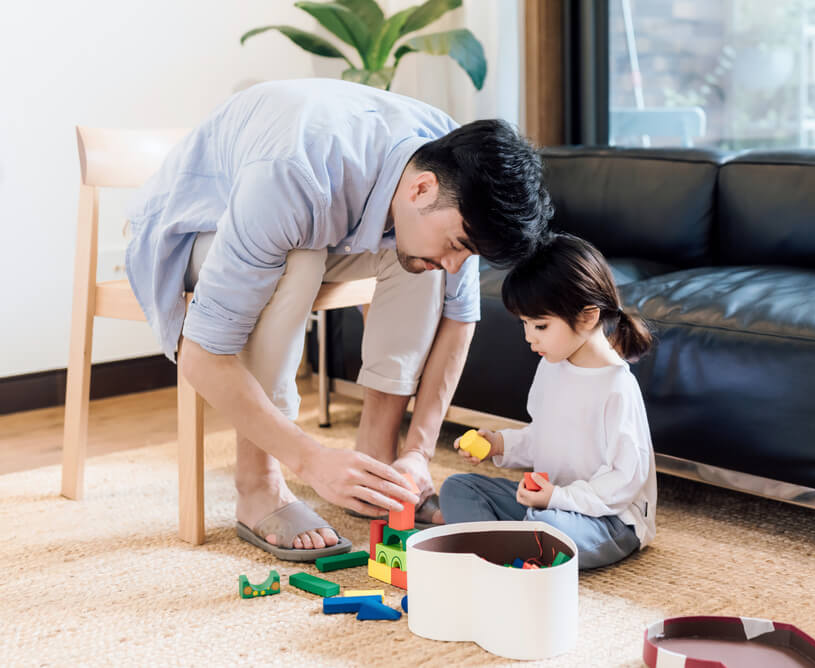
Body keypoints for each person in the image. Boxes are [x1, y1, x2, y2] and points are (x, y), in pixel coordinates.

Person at [125, 78, 551, 560]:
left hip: (306, 222)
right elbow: (202, 356)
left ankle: (377, 461)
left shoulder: (453, 164)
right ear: (421, 187)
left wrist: (418, 451)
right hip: (192, 229)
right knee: (301, 258)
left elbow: (459, 319)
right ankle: (257, 484)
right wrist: (312, 462)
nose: (459, 262)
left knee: (419, 260)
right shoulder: (293, 176)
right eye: (460, 244)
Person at [437, 233, 658, 570]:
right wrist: (500, 445)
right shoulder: (551, 366)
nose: (529, 337)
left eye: (540, 325)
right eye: (525, 324)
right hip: (546, 506)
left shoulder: (617, 387)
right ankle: (510, 551)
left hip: (608, 521)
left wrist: (558, 498)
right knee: (458, 488)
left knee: (550, 530)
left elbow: (625, 481)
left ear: (587, 317)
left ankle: (496, 546)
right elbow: (545, 436)